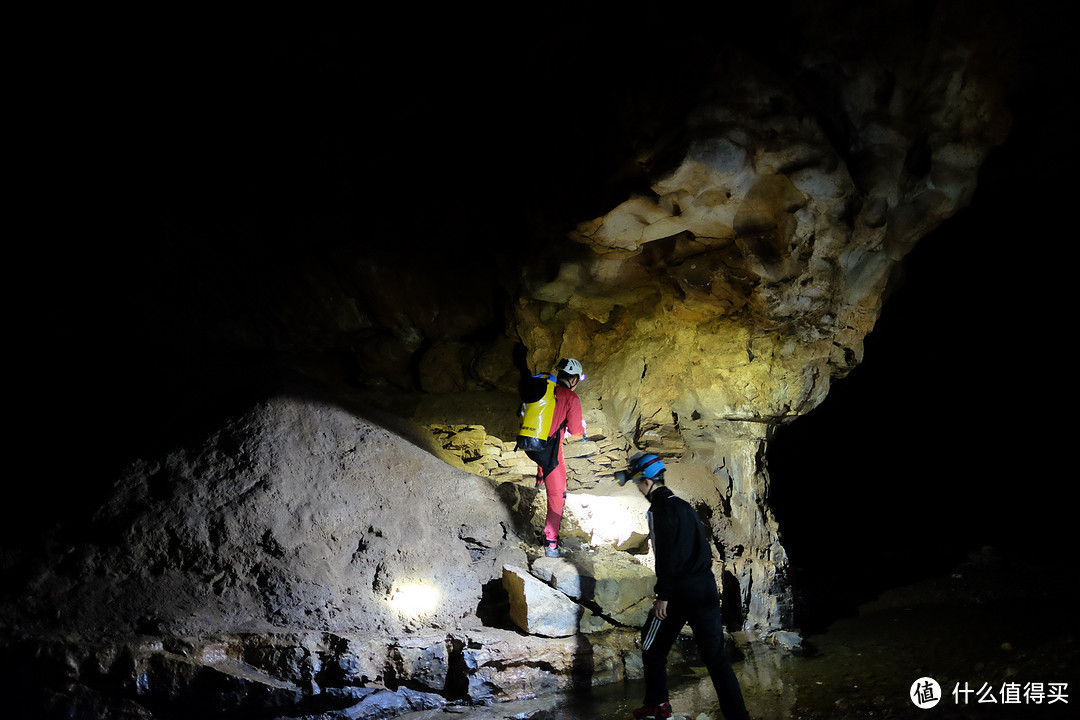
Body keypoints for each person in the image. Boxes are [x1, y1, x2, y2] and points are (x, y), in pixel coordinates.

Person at [616, 452, 751, 720]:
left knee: (651, 645)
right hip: (705, 589)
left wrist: (663, 596)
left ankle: (658, 705)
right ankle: (738, 716)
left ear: (646, 481)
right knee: (715, 658)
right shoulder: (684, 505)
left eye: (637, 483)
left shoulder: (658, 510)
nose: (639, 488)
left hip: (679, 592)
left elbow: (667, 555)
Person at [534, 358, 585, 558]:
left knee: (545, 457)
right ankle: (551, 544)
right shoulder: (571, 398)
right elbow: (576, 430)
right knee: (557, 496)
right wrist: (581, 427)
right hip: (548, 452)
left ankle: (539, 481)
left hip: (531, 444)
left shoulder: (544, 390)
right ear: (573, 379)